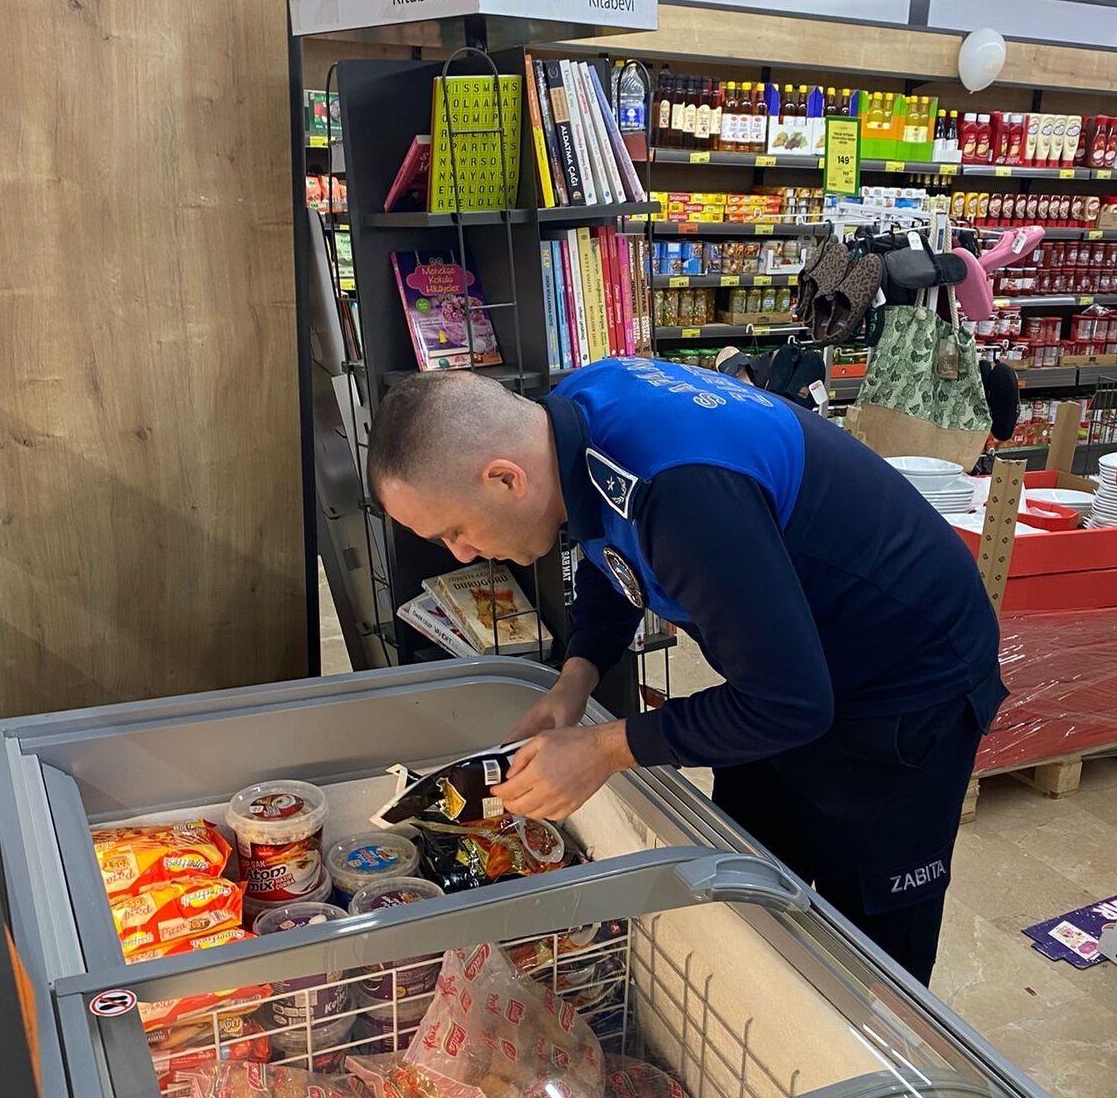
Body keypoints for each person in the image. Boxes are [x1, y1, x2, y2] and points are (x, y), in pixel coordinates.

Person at [368, 358, 1004, 988]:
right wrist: (575, 679)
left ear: (507, 479)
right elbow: (609, 546)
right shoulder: (574, 416)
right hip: (784, 661)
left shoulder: (681, 491)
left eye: (455, 530)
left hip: (906, 679)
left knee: (870, 955)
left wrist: (603, 749)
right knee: (751, 882)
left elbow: (789, 705)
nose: (462, 554)